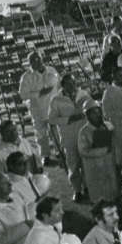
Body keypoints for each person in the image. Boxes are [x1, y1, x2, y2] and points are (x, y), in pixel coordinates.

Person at [47, 73, 88, 201]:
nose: (72, 86)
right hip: (68, 135)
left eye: (74, 83)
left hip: (84, 133)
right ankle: (77, 190)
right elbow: (52, 119)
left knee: (86, 161)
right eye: (69, 84)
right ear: (63, 86)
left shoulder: (83, 94)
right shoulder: (56, 100)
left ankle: (88, 186)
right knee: (73, 164)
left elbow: (92, 107)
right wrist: (69, 119)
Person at [18, 52, 60, 163]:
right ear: (30, 63)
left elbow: (59, 86)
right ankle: (45, 156)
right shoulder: (27, 77)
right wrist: (39, 93)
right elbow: (23, 94)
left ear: (42, 59)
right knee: (41, 133)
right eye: (33, 60)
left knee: (56, 131)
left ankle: (59, 151)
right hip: (38, 109)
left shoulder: (51, 70)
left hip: (53, 106)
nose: (37, 62)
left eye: (38, 59)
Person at [77, 100, 119, 202]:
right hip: (94, 168)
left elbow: (115, 143)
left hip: (109, 164)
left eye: (98, 112)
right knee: (99, 197)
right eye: (93, 113)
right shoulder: (84, 131)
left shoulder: (108, 125)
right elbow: (83, 151)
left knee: (113, 191)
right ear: (87, 115)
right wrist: (102, 150)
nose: (97, 115)